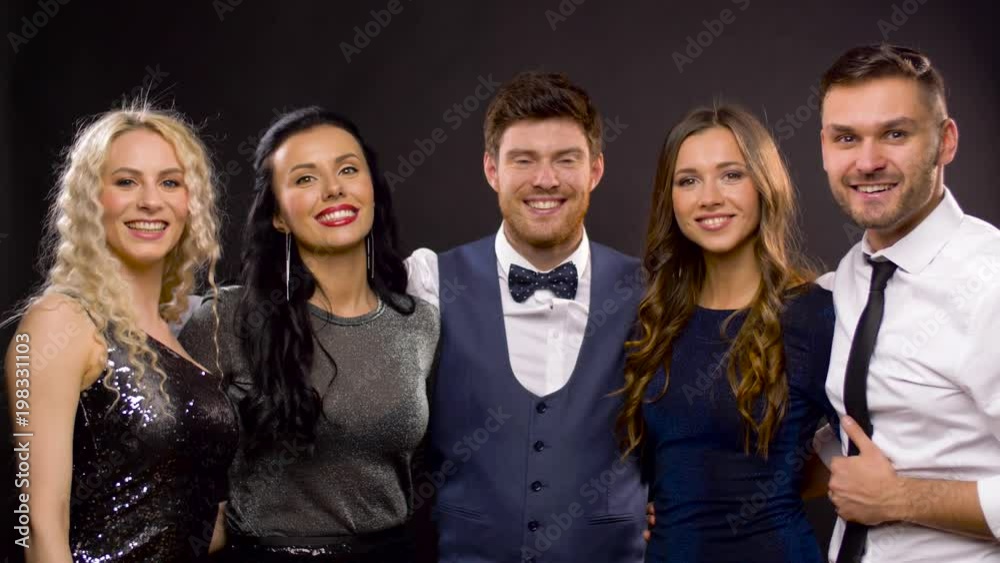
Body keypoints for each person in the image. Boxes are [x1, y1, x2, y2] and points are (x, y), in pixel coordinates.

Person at [179, 107, 440, 562]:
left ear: (372, 190)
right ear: (278, 216)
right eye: (305, 178)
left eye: (348, 170)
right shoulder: (226, 320)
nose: (333, 188)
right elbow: (173, 471)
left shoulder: (421, 323)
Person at [405, 71, 647, 562]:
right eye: (523, 160)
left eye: (566, 159)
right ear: (491, 170)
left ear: (595, 170)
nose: (545, 180)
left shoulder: (650, 291)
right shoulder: (429, 281)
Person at [3, 105, 235, 562]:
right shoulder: (58, 321)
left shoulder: (177, 338)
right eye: (126, 182)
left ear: (190, 203)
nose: (150, 201)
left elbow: (189, 518)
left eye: (170, 183)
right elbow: (38, 526)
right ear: (91, 200)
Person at [617, 104, 838, 562]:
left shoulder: (812, 315)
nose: (709, 197)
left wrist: (772, 488)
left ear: (765, 185)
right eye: (688, 181)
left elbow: (874, 450)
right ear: (670, 199)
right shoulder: (650, 320)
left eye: (731, 175)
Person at [816, 44, 1000, 562]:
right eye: (846, 138)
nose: (868, 161)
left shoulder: (990, 284)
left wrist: (900, 498)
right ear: (824, 148)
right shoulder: (845, 281)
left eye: (895, 134)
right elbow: (857, 434)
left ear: (946, 141)